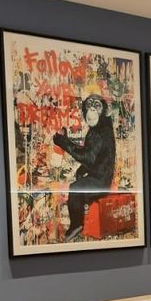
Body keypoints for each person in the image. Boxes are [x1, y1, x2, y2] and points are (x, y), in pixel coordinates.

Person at [52, 94, 116, 241]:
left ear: (104, 111)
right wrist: (82, 169)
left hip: (100, 181)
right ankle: (83, 213)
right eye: (89, 105)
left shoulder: (99, 132)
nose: (92, 110)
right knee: (78, 180)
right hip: (99, 175)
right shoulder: (100, 128)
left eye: (96, 106)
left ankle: (76, 225)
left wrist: (65, 143)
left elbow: (88, 157)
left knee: (75, 188)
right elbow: (96, 156)